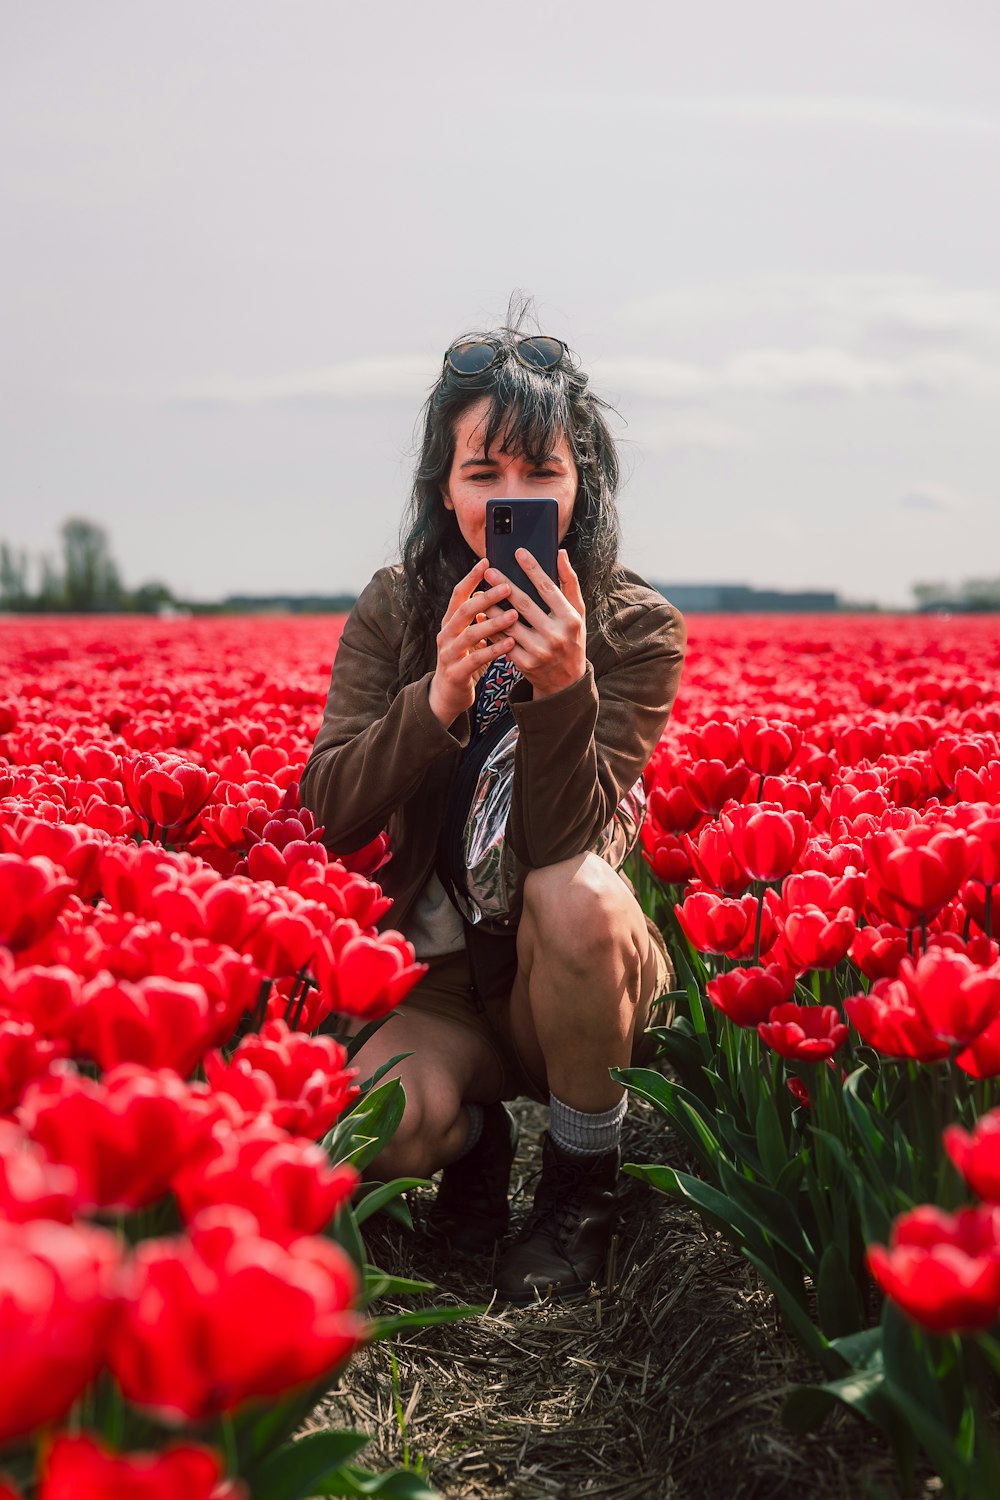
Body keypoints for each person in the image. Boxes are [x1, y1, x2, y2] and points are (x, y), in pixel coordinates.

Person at [299, 316, 686, 1305]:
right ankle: (474, 1143)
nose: (511, 498)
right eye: (483, 474)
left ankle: (577, 1187)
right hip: (441, 987)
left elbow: (573, 848)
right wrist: (432, 699)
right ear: (445, 489)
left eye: (539, 473)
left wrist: (564, 688)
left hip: (573, 978)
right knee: (362, 1128)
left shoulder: (636, 632)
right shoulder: (395, 611)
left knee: (577, 896)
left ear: (579, 482)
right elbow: (331, 810)